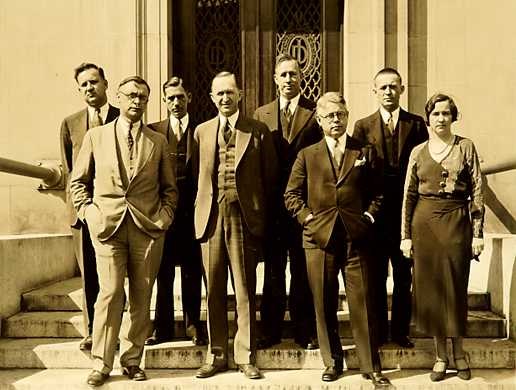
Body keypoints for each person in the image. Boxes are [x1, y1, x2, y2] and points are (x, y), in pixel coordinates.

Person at [70, 76, 178, 387]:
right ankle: (102, 363)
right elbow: (78, 182)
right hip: (107, 227)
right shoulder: (96, 137)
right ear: (118, 97)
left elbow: (170, 189)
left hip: (147, 229)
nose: (137, 101)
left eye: (143, 97)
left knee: (143, 297)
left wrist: (165, 216)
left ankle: (132, 360)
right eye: (131, 95)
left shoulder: (157, 141)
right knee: (111, 292)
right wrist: (89, 213)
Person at [284, 92, 391, 386]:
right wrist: (308, 219)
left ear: (347, 117)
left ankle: (371, 365)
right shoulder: (307, 155)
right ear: (319, 120)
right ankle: (332, 362)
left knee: (362, 302)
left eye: (341, 115)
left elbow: (379, 194)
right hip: (319, 240)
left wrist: (368, 218)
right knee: (323, 302)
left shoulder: (364, 151)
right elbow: (290, 195)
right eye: (330, 116)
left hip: (356, 239)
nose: (336, 120)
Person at [193, 71, 278, 379]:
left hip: (243, 218)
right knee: (213, 289)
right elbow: (196, 178)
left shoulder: (257, 130)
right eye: (220, 94)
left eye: (230, 92)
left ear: (240, 94)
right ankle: (215, 355)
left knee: (244, 289)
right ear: (212, 98)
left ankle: (245, 355)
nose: (225, 98)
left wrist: (257, 214)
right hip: (211, 218)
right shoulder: (201, 132)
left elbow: (270, 180)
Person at [400, 93, 484, 382]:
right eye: (435, 114)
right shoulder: (417, 151)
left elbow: (477, 191)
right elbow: (408, 196)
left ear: (453, 116)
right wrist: (405, 237)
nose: (441, 119)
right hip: (424, 225)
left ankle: (459, 353)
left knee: (455, 289)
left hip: (456, 223)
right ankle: (440, 356)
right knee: (432, 292)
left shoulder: (465, 147)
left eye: (446, 113)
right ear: (428, 118)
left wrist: (477, 233)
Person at [353, 67, 427, 348]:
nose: (388, 92)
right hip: (376, 214)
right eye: (382, 87)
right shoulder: (362, 126)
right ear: (374, 91)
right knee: (374, 275)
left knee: (403, 274)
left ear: (402, 90)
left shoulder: (417, 124)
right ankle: (377, 332)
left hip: (407, 213)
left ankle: (400, 332)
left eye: (393, 87)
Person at [253, 53, 321, 349]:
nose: (289, 80)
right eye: (284, 75)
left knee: (302, 271)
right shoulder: (261, 115)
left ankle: (303, 330)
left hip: (303, 205)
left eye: (294, 74)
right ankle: (271, 329)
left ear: (301, 78)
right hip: (271, 206)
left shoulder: (314, 113)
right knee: (273, 270)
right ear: (275, 80)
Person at [59, 63, 119, 351]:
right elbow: (71, 173)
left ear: (106, 83)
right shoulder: (69, 124)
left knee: (118, 275)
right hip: (85, 214)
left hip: (117, 210)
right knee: (91, 277)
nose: (89, 88)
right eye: (83, 85)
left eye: (94, 82)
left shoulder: (122, 117)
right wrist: (82, 209)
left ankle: (117, 329)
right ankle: (93, 331)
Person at [145, 76, 206, 346]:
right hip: (164, 212)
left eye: (180, 97)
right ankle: (164, 328)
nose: (176, 102)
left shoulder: (203, 130)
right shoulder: (154, 131)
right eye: (171, 98)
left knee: (193, 270)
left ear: (189, 98)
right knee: (164, 271)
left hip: (193, 212)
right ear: (164, 101)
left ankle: (193, 324)